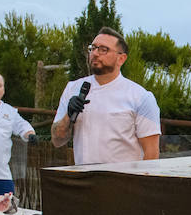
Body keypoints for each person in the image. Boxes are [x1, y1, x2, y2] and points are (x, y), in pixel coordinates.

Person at [52, 27, 160, 165]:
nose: (95, 53)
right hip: (83, 182)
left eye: (103, 49)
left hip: (123, 183)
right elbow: (57, 140)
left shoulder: (140, 97)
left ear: (121, 58)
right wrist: (68, 115)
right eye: (93, 48)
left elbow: (152, 153)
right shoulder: (73, 88)